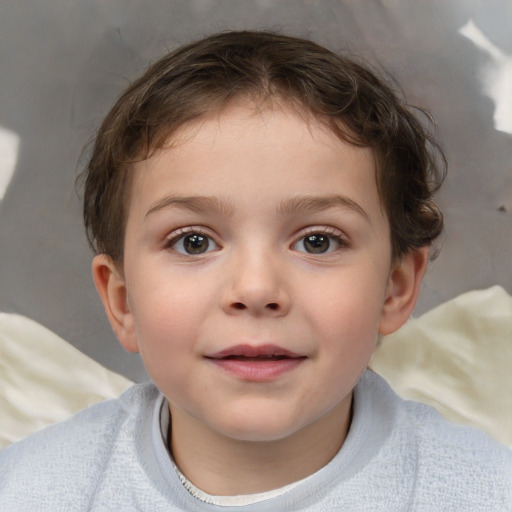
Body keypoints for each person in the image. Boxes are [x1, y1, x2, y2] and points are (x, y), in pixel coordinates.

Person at [0, 30, 510, 511]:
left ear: (395, 289)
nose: (256, 289)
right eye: (194, 242)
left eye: (317, 240)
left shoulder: (485, 493)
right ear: (122, 300)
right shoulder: (30, 491)